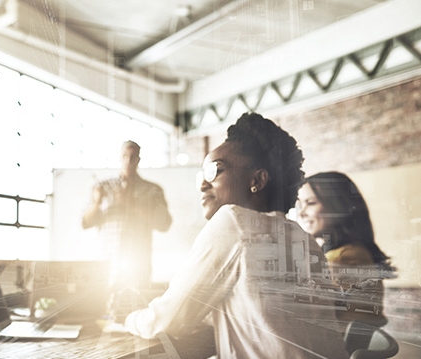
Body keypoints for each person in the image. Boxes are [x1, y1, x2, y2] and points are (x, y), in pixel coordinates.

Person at [123, 113, 349, 359]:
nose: (203, 184)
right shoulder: (302, 238)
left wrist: (127, 318)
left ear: (257, 180)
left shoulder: (233, 220)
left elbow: (168, 320)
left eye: (214, 170)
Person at [296, 171, 394, 324]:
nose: (301, 213)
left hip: (332, 344)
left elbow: (314, 314)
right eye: (300, 204)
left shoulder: (344, 257)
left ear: (338, 205)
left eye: (311, 203)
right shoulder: (353, 251)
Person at [81, 140, 172, 290]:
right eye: (125, 156)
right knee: (105, 310)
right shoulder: (103, 187)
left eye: (133, 157)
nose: (128, 161)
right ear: (120, 158)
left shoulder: (153, 190)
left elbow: (164, 224)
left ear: (139, 160)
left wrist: (131, 204)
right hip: (108, 265)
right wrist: (96, 202)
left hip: (139, 264)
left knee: (138, 307)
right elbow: (85, 223)